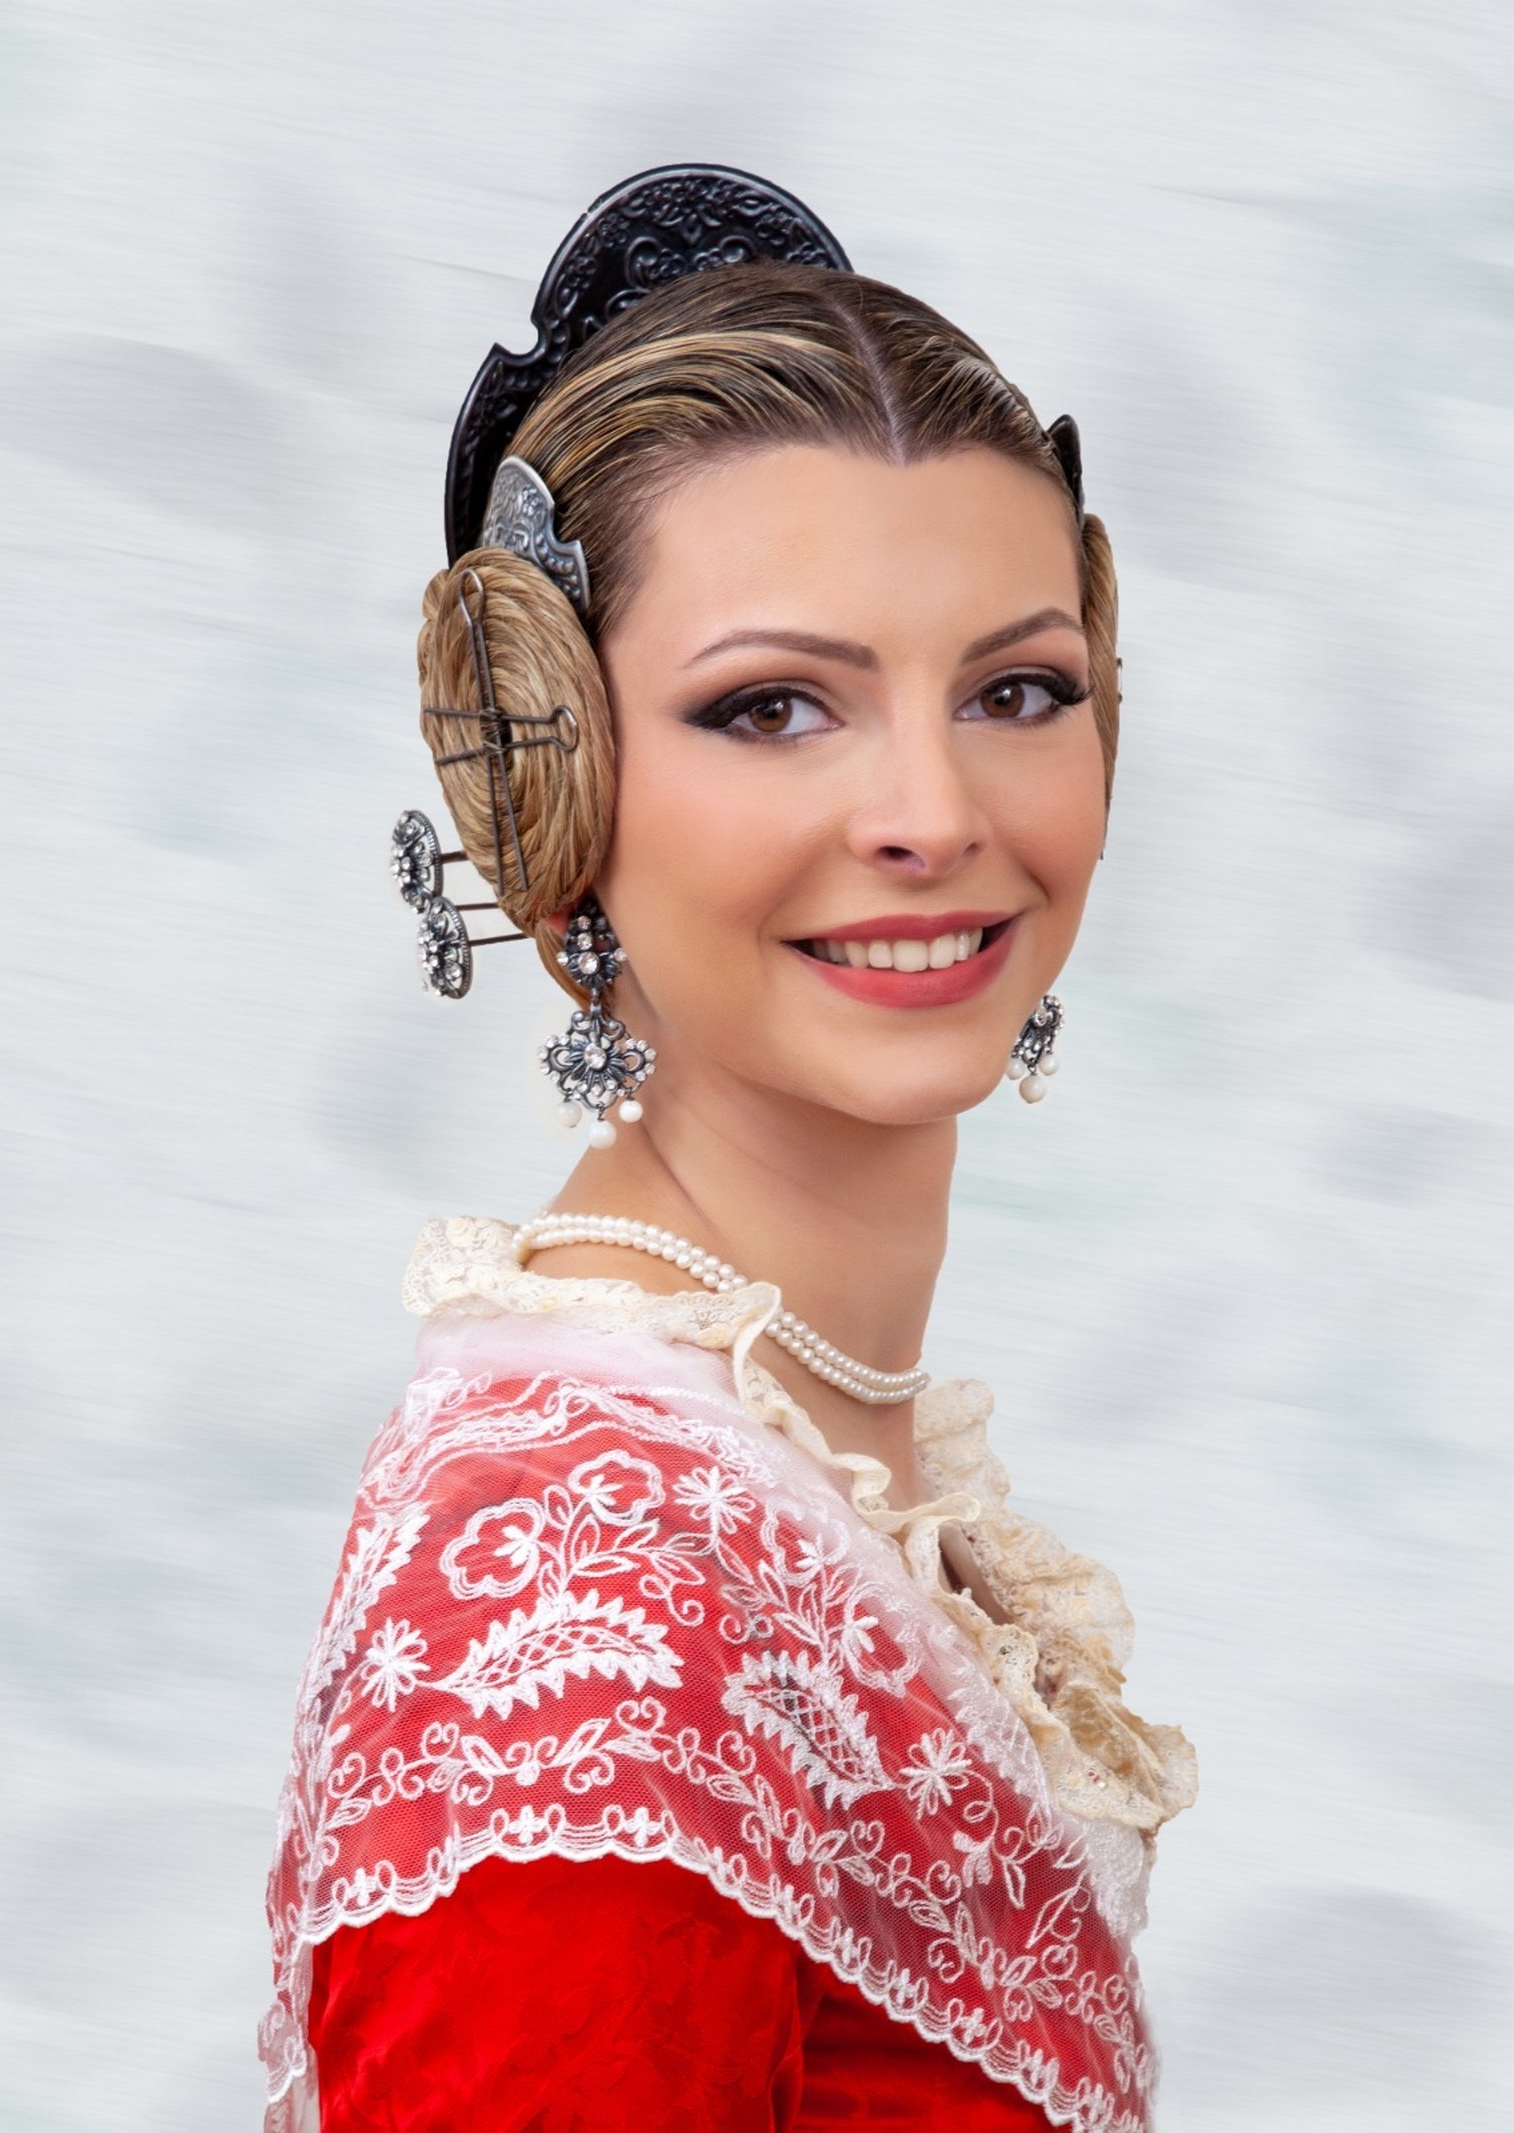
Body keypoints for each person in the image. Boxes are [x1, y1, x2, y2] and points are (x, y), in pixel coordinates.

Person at [261, 166, 1197, 2133]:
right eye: (773, 707)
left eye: (1017, 689)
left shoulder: (781, 1450)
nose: (933, 811)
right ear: (551, 769)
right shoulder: (589, 1583)